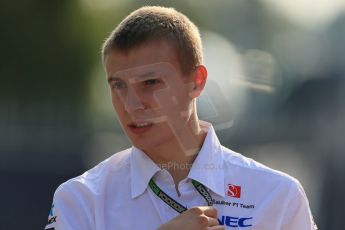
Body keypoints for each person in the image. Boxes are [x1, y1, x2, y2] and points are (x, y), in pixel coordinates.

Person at [45, 6, 317, 230]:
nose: (131, 104)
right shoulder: (80, 199)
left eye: (150, 82)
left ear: (196, 82)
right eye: (118, 85)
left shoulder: (279, 196)